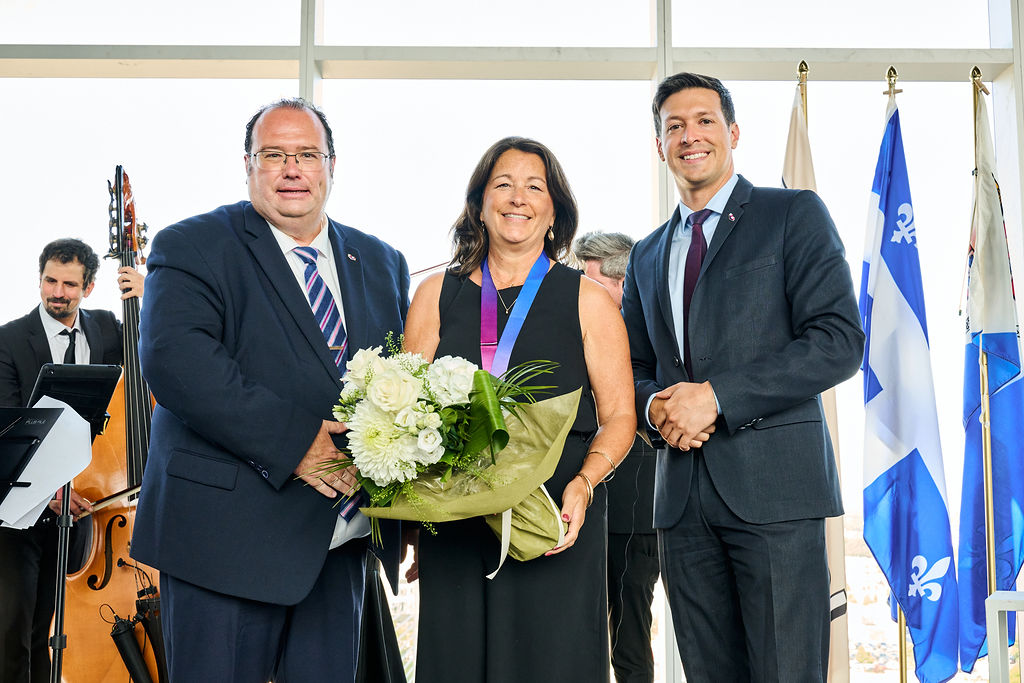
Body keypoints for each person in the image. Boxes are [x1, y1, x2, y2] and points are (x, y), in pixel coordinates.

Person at [129, 98, 409, 683]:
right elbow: (179, 364)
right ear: (248, 166)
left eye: (306, 154)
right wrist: (299, 444)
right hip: (225, 545)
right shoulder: (194, 246)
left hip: (338, 543)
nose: (291, 168)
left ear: (332, 164)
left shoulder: (383, 261)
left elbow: (400, 385)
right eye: (273, 154)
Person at [620, 73, 864, 682]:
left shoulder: (791, 214)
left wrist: (718, 399)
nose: (689, 135)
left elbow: (838, 340)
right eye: (673, 126)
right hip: (680, 502)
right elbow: (634, 368)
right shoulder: (647, 254)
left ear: (732, 133)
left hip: (776, 494)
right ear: (659, 146)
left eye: (704, 121)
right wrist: (655, 410)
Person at [403, 137, 638, 682]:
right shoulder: (434, 294)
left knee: (552, 663)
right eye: (502, 185)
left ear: (555, 209)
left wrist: (584, 483)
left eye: (535, 187)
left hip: (555, 519)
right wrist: (413, 514)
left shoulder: (589, 299)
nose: (518, 198)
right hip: (457, 520)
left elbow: (621, 416)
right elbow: (405, 417)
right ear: (479, 203)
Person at [0, 237, 144, 683]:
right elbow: (7, 429)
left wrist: (146, 296)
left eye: (69, 284)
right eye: (50, 281)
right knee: (12, 631)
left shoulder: (105, 329)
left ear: (90, 287)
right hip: (21, 509)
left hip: (90, 510)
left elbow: (156, 353)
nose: (57, 292)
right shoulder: (8, 340)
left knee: (52, 630)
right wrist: (49, 493)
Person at [574, 231, 661, 683]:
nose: (580, 291)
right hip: (588, 512)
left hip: (633, 517)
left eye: (590, 281)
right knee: (582, 639)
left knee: (629, 644)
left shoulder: (643, 341)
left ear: (622, 283)